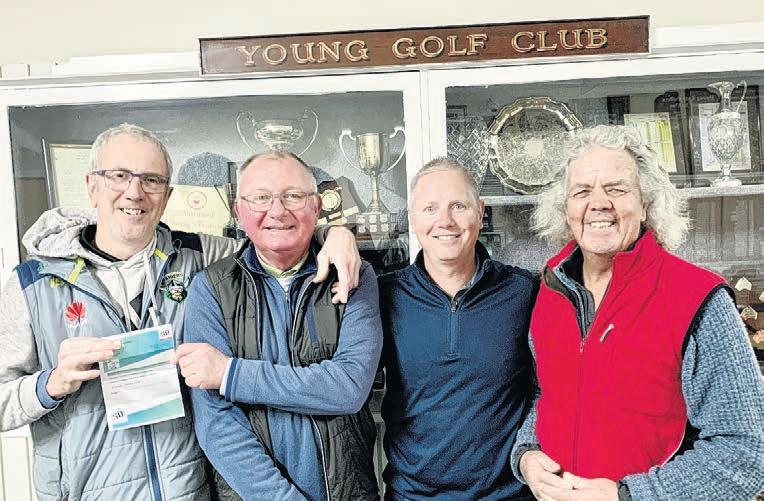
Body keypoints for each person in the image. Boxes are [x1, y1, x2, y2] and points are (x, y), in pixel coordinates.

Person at [0, 123, 361, 501]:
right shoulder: (32, 285)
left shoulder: (200, 256)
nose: (135, 192)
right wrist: (50, 384)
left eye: (151, 180)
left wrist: (335, 234)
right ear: (92, 185)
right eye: (119, 175)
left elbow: (274, 235)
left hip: (188, 491)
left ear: (168, 195)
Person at [511, 125, 764, 501]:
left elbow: (746, 454)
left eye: (616, 189)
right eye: (582, 191)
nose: (598, 203)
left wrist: (628, 495)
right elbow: (545, 394)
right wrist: (526, 454)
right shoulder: (549, 289)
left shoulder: (699, 300)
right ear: (565, 209)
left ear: (646, 203)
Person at [176, 150, 382, 501]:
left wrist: (230, 374)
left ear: (317, 206)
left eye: (293, 196)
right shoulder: (210, 288)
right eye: (261, 197)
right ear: (238, 210)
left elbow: (348, 386)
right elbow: (217, 425)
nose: (277, 210)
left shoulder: (353, 276)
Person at [378, 157, 536, 500]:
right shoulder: (383, 296)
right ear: (412, 218)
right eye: (430, 208)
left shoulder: (524, 292)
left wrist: (531, 452)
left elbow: (550, 391)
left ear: (480, 212)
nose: (445, 221)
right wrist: (332, 235)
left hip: (508, 496)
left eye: (458, 206)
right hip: (413, 497)